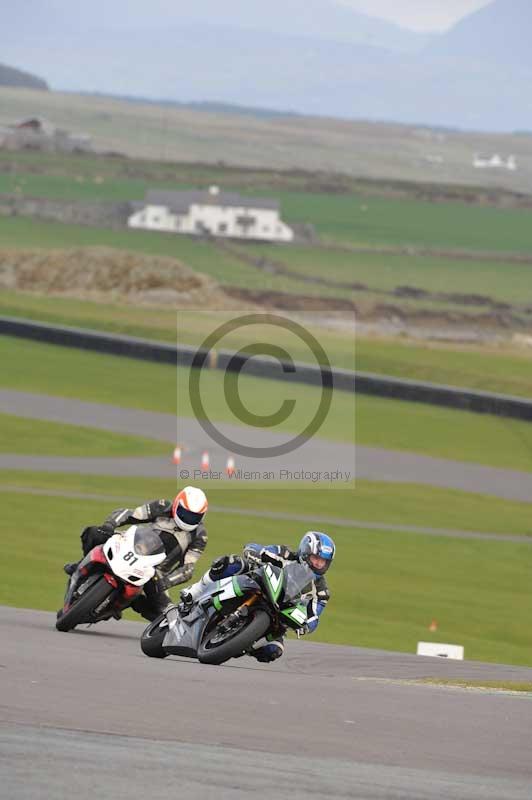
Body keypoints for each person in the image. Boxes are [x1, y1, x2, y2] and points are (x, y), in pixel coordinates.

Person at [178, 530, 335, 663]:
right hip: (258, 586)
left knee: (274, 650)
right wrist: (253, 554)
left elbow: (314, 615)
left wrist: (306, 625)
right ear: (305, 552)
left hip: (279, 615)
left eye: (323, 562)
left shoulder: (321, 592)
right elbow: (255, 548)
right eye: (316, 558)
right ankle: (195, 591)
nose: (319, 564)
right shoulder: (285, 554)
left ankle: (241, 644)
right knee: (231, 563)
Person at [63, 486, 208, 621]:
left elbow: (188, 569)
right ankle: (80, 565)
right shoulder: (162, 506)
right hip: (131, 545)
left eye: (194, 516)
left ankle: (125, 603)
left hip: (154, 572)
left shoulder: (200, 535)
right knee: (94, 533)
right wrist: (110, 525)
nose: (188, 519)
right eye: (185, 513)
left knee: (167, 617)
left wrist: (166, 582)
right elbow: (129, 514)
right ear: (177, 505)